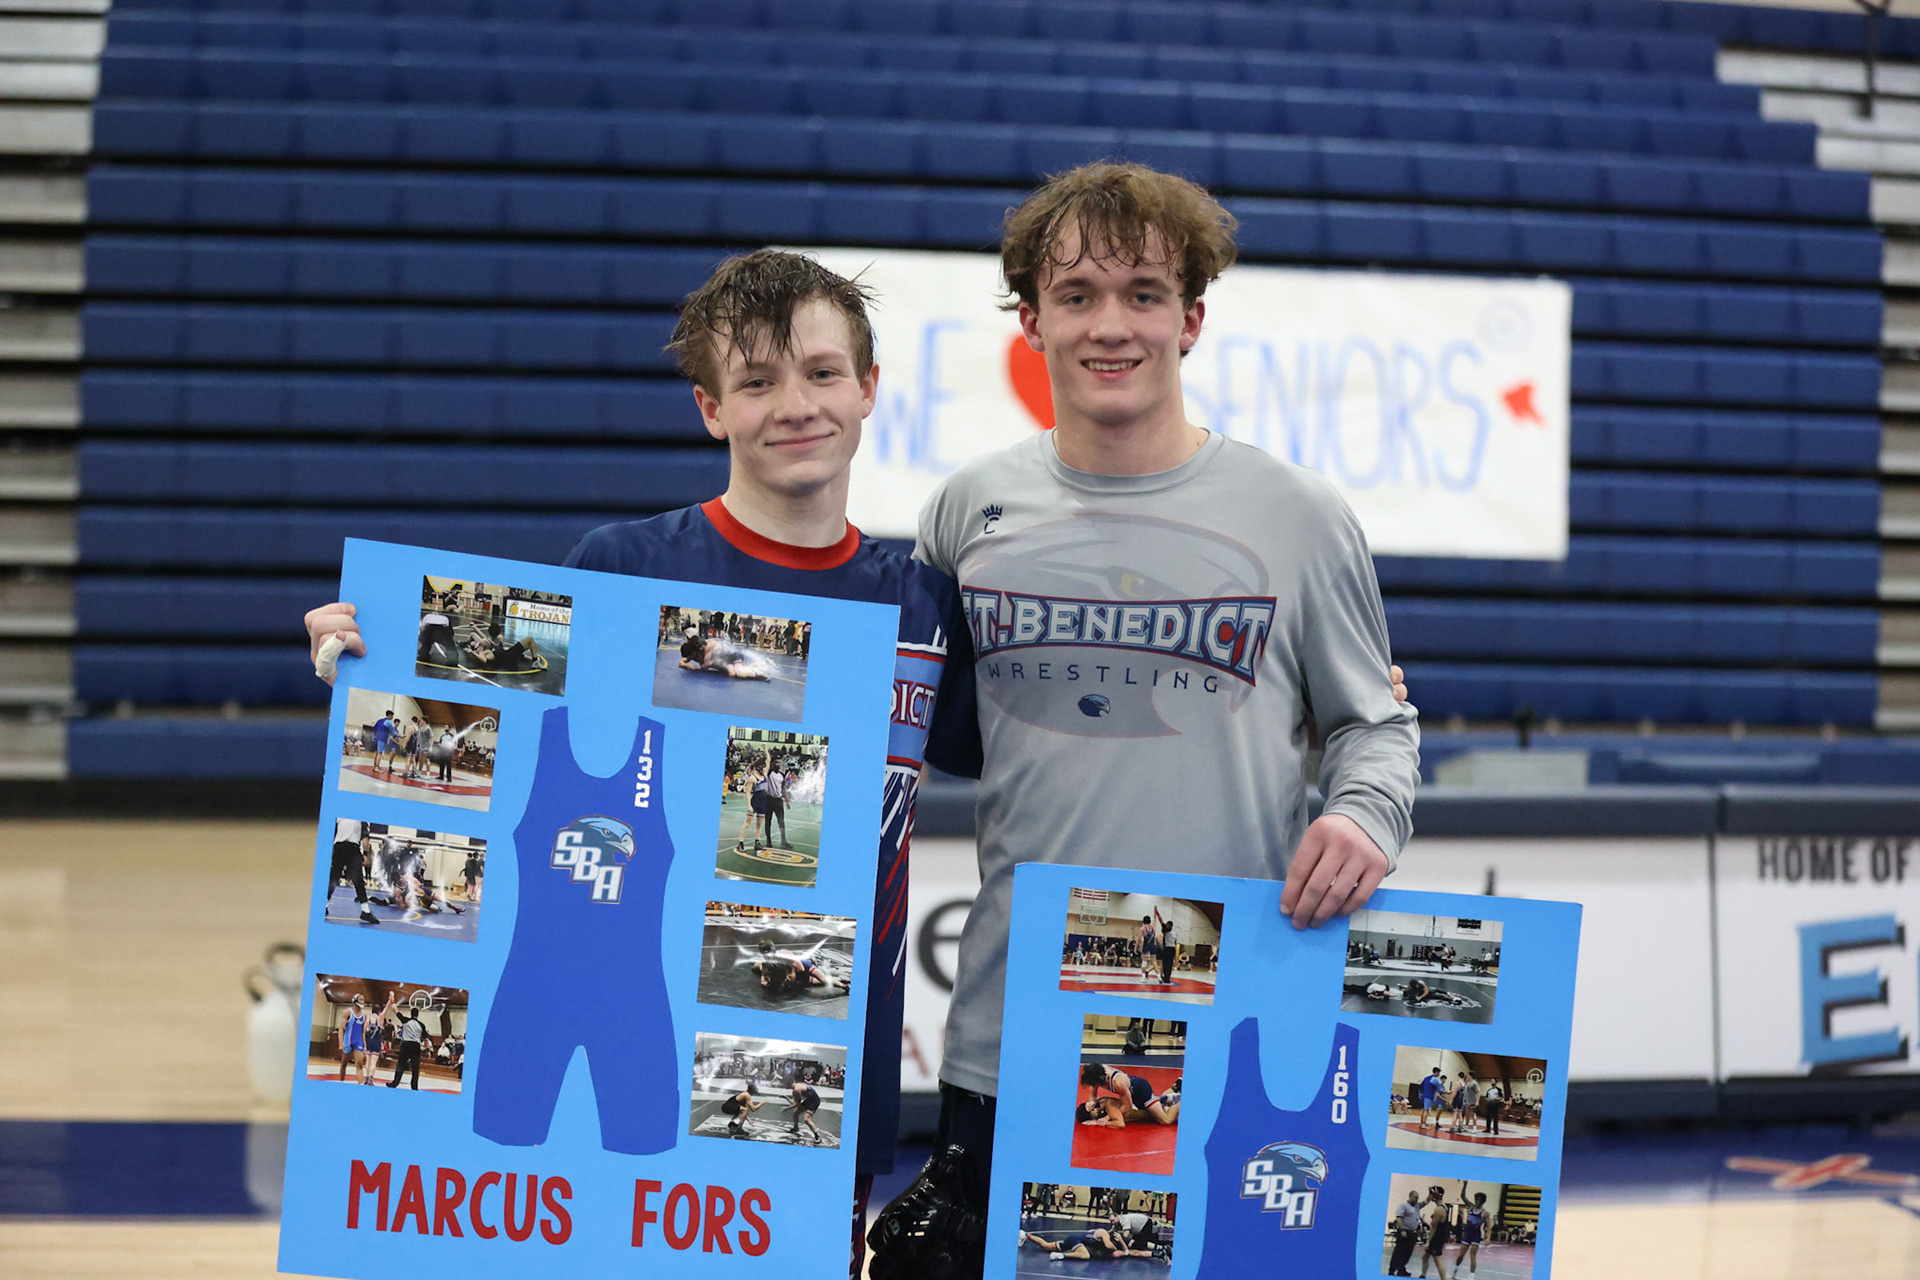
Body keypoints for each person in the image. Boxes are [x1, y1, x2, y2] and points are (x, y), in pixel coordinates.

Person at [305, 250, 985, 1278]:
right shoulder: (625, 571)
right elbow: (478, 739)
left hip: (810, 1070)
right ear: (711, 407)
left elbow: (1037, 765)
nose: (794, 404)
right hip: (611, 1045)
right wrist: (369, 665)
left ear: (870, 388)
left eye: (821, 372)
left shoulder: (925, 607)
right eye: (756, 382)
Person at [913, 161, 1420, 1221]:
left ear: (1190, 319)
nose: (1113, 326)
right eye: (1078, 295)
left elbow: (1377, 725)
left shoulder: (1297, 513)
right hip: (1016, 1033)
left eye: (1144, 295)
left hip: (1227, 1024)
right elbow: (925, 728)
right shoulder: (968, 512)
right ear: (1030, 319)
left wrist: (1366, 813)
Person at [1078, 1063, 1179, 1127]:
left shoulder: (1118, 1082)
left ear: (1099, 1080)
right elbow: (1093, 1095)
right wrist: (1092, 1102)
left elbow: (1128, 1107)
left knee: (1165, 1120)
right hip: (1130, 1092)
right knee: (1154, 1111)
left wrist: (1107, 1117)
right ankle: (1176, 1087)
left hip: (1141, 1091)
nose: (1092, 1087)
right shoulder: (1097, 1072)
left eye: (1093, 1084)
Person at [326, 819, 380, 926]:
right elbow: (365, 839)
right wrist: (365, 854)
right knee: (358, 880)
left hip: (338, 848)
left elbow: (333, 837)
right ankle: (366, 911)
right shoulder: (362, 819)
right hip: (352, 848)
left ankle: (324, 905)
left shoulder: (339, 819)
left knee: (333, 878)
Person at [386, 999, 427, 1091]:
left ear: (411, 1013)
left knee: (400, 1064)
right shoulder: (422, 1025)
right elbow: (424, 1036)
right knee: (415, 1067)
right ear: (417, 1015)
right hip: (416, 1046)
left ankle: (395, 1083)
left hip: (406, 1045)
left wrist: (392, 1000)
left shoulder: (405, 1020)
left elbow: (396, 1010)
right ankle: (414, 1087)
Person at [1388, 1189, 1424, 1276]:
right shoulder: (1404, 1206)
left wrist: (1431, 1193)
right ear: (1410, 1196)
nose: (1417, 1199)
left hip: (1412, 1233)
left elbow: (1426, 1201)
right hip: (1404, 1233)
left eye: (1418, 1198)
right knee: (1398, 1252)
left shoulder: (1417, 1206)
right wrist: (1402, 1229)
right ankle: (1391, 1270)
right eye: (1415, 1197)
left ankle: (1401, 1269)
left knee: (1407, 1253)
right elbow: (1399, 1217)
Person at [1419, 1187, 1453, 1280]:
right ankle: (1423, 1275)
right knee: (1425, 1256)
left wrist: (1428, 1242)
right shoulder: (1444, 1207)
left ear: (1435, 1196)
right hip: (1440, 1236)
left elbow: (1433, 1227)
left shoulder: (1438, 1209)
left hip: (1436, 1237)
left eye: (1431, 1194)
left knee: (1438, 1260)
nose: (1429, 1197)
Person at [336, 996, 371, 1083]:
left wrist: (365, 1045)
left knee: (359, 1065)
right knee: (344, 1064)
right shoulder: (348, 1012)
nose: (363, 1001)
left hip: (358, 1042)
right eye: (361, 999)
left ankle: (360, 1086)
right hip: (347, 1042)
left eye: (364, 999)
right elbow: (341, 1028)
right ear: (355, 1001)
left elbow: (363, 1032)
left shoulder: (364, 1015)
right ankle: (341, 1082)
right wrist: (340, 1043)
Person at [1457, 1192, 1488, 1275]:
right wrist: (1464, 1185)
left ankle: (1471, 1276)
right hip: (1467, 1233)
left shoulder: (1485, 1213)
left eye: (1478, 1200)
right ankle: (1456, 1270)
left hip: (1475, 1235)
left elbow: (1489, 1226)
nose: (1476, 1201)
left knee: (1472, 1256)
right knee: (1460, 1255)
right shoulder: (1471, 1207)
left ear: (1482, 1201)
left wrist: (1488, 1238)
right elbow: (1463, 1196)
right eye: (1475, 1199)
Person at [786, 1079, 825, 1144]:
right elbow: (795, 1102)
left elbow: (795, 1104)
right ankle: (796, 1128)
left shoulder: (796, 1090)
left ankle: (817, 1136)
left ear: (788, 1086)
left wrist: (786, 1108)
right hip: (809, 1100)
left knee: (806, 1119)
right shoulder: (797, 1085)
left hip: (814, 1101)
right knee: (796, 1113)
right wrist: (786, 1097)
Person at [1420, 1067, 1444, 1131]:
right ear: (1436, 1072)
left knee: (1423, 1110)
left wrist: (1420, 1094)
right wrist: (1448, 1092)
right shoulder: (1435, 1080)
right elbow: (1440, 1089)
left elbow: (1421, 1086)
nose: (1439, 1074)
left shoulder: (1426, 1078)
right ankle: (1424, 1124)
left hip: (1423, 1096)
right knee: (1426, 1110)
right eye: (1439, 1073)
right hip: (1428, 1096)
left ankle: (1421, 1123)